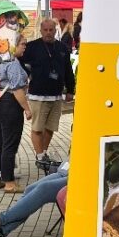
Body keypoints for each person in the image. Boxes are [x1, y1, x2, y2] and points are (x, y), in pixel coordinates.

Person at [21, 18, 75, 169]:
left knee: (50, 127)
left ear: (55, 30)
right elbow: (18, 59)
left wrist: (71, 89)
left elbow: (68, 70)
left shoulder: (62, 48)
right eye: (45, 30)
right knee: (37, 127)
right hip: (38, 94)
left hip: (56, 95)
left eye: (51, 30)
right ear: (41, 30)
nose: (48, 33)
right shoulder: (32, 47)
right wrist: (27, 75)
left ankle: (43, 154)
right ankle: (40, 156)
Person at [0, 161, 68, 237]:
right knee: (30, 189)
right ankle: (2, 231)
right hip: (66, 169)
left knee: (43, 189)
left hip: (79, 176)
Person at [0, 43, 32, 194]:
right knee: (9, 144)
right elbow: (17, 89)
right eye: (22, 44)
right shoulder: (12, 62)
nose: (25, 47)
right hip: (9, 104)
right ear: (13, 45)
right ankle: (9, 183)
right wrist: (27, 109)